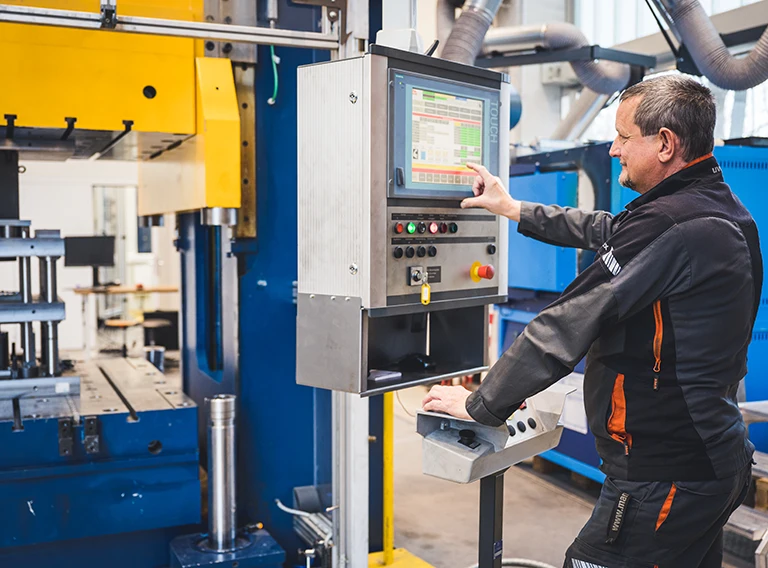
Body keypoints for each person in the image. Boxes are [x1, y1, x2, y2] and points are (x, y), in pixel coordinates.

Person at [422, 75, 762, 568]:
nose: (613, 149)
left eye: (623, 137)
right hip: (715, 459)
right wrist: (513, 208)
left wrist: (482, 403)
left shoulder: (672, 225)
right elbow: (607, 228)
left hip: (664, 475)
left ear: (665, 143)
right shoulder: (720, 210)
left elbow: (564, 324)